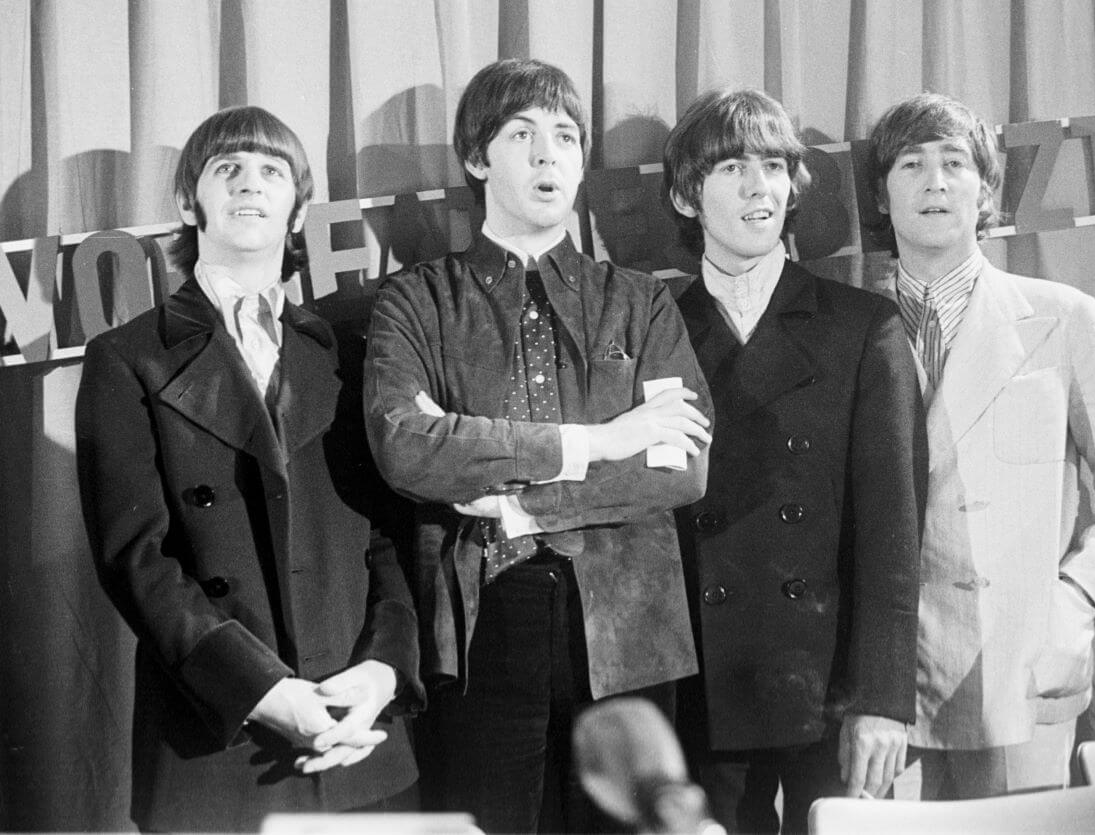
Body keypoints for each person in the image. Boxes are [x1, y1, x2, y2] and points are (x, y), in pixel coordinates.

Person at [363, 58, 713, 833]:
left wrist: (519, 503)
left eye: (564, 135)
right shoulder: (417, 300)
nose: (548, 153)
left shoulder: (641, 301)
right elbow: (409, 444)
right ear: (477, 158)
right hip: (481, 623)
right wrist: (598, 441)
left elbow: (680, 468)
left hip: (630, 628)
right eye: (522, 134)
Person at [75, 106, 422, 833]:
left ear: (298, 208)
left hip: (358, 736)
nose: (249, 184)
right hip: (219, 741)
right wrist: (264, 691)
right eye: (226, 168)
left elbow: (388, 540)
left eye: (271, 171)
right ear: (187, 201)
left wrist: (383, 671)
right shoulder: (124, 357)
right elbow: (138, 559)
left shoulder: (346, 352)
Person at [864, 92, 1095, 799]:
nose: (935, 182)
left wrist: (1076, 599)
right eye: (911, 164)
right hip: (883, 688)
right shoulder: (847, 326)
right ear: (882, 195)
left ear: (987, 189)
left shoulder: (1062, 317)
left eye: (954, 163)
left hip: (1017, 666)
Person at [661, 88, 927, 833]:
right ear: (687, 195)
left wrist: (882, 698)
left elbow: (892, 535)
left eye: (775, 166)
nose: (759, 187)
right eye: (733, 168)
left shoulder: (862, 327)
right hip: (698, 694)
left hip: (830, 693)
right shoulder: (652, 330)